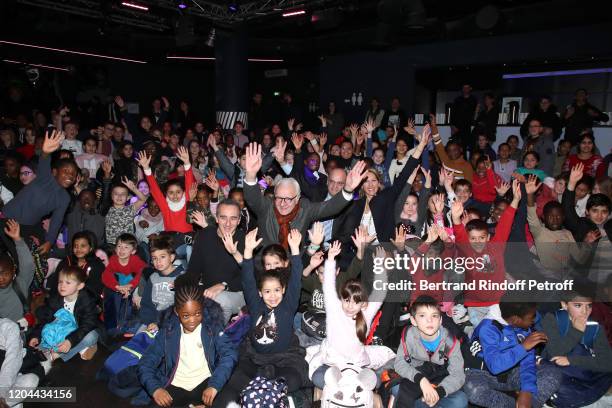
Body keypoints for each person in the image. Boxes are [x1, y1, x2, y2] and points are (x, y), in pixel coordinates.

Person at [214, 228, 308, 406]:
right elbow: (248, 279)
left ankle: (274, 393)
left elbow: (296, 278)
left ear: (284, 290)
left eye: (276, 291)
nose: (272, 296)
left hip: (284, 358)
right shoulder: (255, 304)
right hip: (255, 358)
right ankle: (241, 398)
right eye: (267, 291)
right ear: (260, 292)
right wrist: (247, 251)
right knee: (233, 383)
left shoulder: (288, 305)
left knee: (294, 379)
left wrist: (295, 250)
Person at [243, 142, 367, 249]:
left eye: (289, 199)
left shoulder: (305, 208)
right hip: (266, 265)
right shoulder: (267, 207)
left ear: (297, 198)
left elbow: (331, 207)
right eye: (279, 198)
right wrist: (250, 174)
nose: (283, 203)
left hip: (299, 261)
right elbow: (252, 198)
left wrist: (348, 189)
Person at [309, 242, 387, 389]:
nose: (350, 306)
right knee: (318, 378)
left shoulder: (365, 312)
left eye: (356, 302)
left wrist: (380, 265)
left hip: (356, 365)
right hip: (332, 363)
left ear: (362, 303)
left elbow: (380, 293)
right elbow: (328, 286)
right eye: (347, 300)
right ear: (342, 299)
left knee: (373, 382)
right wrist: (330, 259)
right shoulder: (335, 308)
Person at [464, 298, 562, 408]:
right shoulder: (488, 328)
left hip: (512, 372)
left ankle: (528, 404)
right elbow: (494, 366)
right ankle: (514, 404)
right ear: (516, 319)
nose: (535, 320)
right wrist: (523, 347)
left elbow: (527, 363)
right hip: (483, 373)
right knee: (474, 391)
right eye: (531, 317)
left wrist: (527, 391)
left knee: (553, 373)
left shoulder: (524, 329)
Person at [450, 181, 521, 326]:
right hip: (475, 305)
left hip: (497, 303)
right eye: (473, 239)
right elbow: (460, 235)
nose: (477, 242)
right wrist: (456, 219)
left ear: (488, 237)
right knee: (481, 335)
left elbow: (505, 224)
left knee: (502, 334)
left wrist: (515, 200)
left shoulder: (496, 246)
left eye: (481, 238)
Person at [1, 130, 77, 256]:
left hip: (29, 226)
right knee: (19, 257)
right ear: (55, 172)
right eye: (66, 171)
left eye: (73, 174)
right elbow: (44, 162)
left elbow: (56, 221)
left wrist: (49, 241)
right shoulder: (45, 178)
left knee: (37, 257)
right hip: (8, 220)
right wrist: (46, 152)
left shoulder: (64, 198)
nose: (70, 175)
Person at [542, 288, 612, 408]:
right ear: (564, 305)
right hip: (557, 372)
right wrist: (576, 331)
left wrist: (572, 360)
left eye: (589, 306)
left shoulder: (595, 326)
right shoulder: (553, 319)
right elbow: (554, 353)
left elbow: (608, 363)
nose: (585, 311)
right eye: (578, 305)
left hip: (583, 373)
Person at [392, 296, 467, 408]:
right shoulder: (409, 336)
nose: (429, 320)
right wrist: (421, 380)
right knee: (396, 389)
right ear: (413, 320)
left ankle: (427, 402)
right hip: (416, 379)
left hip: (441, 381)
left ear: (440, 320)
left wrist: (439, 392)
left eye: (434, 316)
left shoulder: (450, 342)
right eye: (422, 315)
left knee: (460, 401)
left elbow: (458, 374)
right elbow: (399, 363)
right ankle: (424, 402)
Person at [187, 199, 246, 324]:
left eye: (233, 218)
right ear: (217, 218)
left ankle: (213, 338)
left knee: (220, 300)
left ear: (239, 220)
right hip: (208, 291)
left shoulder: (245, 240)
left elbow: (249, 278)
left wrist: (224, 285)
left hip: (237, 293)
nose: (228, 223)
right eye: (223, 218)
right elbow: (193, 269)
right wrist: (184, 287)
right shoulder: (205, 235)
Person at [28, 266, 99, 362]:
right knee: (36, 350)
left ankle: (56, 355)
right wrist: (36, 336)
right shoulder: (55, 300)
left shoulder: (87, 301)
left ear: (80, 286)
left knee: (92, 336)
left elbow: (88, 324)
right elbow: (46, 320)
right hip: (60, 332)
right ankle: (81, 348)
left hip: (78, 332)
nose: (62, 286)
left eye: (68, 283)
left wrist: (70, 341)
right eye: (60, 282)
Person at [525, 175, 590, 280]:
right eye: (550, 216)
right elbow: (531, 213)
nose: (555, 219)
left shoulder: (567, 234)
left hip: (564, 274)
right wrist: (530, 194)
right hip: (545, 274)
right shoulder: (539, 231)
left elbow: (580, 259)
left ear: (563, 217)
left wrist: (587, 244)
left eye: (558, 216)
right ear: (544, 217)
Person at [562, 164, 612, 284]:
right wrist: (572, 184)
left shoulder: (610, 227)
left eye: (604, 212)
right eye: (595, 211)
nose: (599, 216)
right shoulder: (583, 225)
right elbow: (567, 210)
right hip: (582, 280)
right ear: (587, 212)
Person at [137, 235, 185, 333]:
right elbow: (146, 304)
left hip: (173, 322)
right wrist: (150, 322)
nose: (158, 261)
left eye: (162, 257)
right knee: (138, 342)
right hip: (152, 321)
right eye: (154, 258)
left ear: (171, 257)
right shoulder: (153, 278)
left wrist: (160, 323)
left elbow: (183, 307)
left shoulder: (182, 277)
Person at [101, 233, 146, 331]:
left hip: (133, 286)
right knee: (108, 291)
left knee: (133, 298)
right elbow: (106, 275)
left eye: (126, 247)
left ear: (133, 251)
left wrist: (130, 286)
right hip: (119, 286)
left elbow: (143, 272)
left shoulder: (135, 260)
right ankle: (111, 324)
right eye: (119, 246)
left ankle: (128, 324)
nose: (121, 250)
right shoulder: (113, 259)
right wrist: (117, 286)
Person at [47, 231, 105, 300]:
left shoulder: (97, 265)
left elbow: (96, 291)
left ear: (91, 248)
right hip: (62, 299)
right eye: (75, 246)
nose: (78, 249)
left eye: (83, 246)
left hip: (85, 302)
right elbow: (55, 284)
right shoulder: (66, 262)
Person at [0, 318, 40, 408]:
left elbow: (12, 361)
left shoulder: (8, 327)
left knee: (31, 381)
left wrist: (1, 394)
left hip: (9, 378)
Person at [0, 220, 34, 324]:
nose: (1, 278)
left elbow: (27, 264)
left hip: (20, 334)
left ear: (13, 270)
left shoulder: (20, 284)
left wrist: (17, 239)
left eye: (5, 273)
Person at [450, 85, 478, 152]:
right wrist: (452, 125)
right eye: (464, 88)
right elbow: (453, 113)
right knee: (455, 146)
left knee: (464, 147)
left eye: (467, 87)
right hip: (457, 127)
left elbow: (475, 114)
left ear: (470, 88)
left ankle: (464, 161)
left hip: (467, 128)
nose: (465, 89)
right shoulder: (457, 100)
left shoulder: (473, 100)